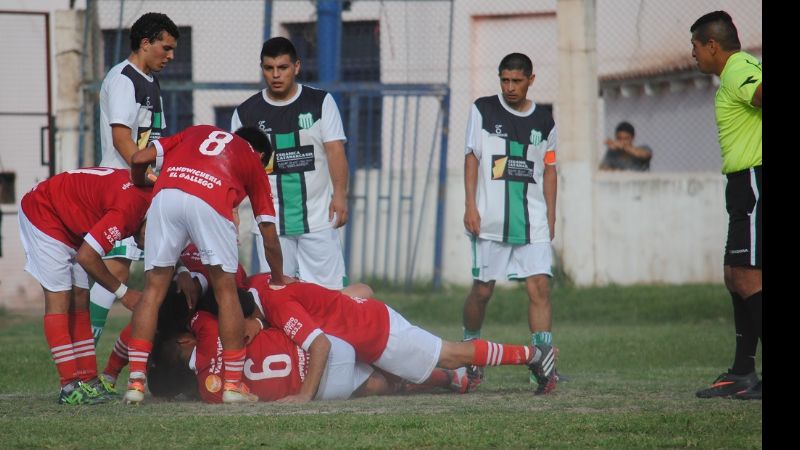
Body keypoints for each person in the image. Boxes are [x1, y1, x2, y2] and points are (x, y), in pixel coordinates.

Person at [123, 124, 288, 404]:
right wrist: (279, 278)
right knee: (225, 291)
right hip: (211, 198)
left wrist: (141, 183)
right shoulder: (252, 160)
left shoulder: (197, 131)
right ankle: (232, 385)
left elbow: (138, 158)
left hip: (166, 194)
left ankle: (136, 383)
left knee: (153, 290)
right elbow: (269, 236)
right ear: (260, 155)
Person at [249, 276, 557, 403]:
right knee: (392, 377)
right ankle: (458, 379)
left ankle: (534, 354)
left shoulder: (276, 304)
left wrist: (303, 396)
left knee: (451, 354)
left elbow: (321, 345)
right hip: (367, 321)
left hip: (378, 332)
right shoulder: (260, 283)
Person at [461, 53, 559, 394]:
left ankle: (543, 366)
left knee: (540, 288)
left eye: (517, 81)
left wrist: (551, 215)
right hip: (490, 219)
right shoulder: (483, 110)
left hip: (533, 221)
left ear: (531, 80)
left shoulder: (544, 120)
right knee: (482, 291)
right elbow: (472, 158)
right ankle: (470, 353)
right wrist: (470, 206)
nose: (510, 87)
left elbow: (550, 168)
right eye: (505, 80)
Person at [17, 168, 151, 404]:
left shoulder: (151, 203)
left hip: (68, 219)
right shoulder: (127, 211)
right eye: (152, 239)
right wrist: (123, 292)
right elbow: (87, 257)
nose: (148, 246)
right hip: (44, 211)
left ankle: (89, 379)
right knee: (60, 297)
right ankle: (69, 387)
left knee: (80, 297)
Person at [231, 36, 349, 290]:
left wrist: (340, 195)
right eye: (269, 68)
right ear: (262, 68)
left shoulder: (320, 102)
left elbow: (335, 150)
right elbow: (237, 167)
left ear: (296, 67)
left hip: (318, 219)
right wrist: (233, 208)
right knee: (277, 294)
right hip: (270, 223)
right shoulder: (245, 113)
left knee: (329, 295)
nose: (276, 75)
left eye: (282, 67)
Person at [91, 12, 180, 343]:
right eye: (166, 47)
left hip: (142, 186)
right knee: (116, 268)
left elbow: (154, 141)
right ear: (146, 43)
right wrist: (147, 177)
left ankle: (156, 351)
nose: (171, 56)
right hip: (122, 185)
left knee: (157, 266)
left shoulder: (150, 81)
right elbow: (121, 139)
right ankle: (83, 354)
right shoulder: (124, 79)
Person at [690, 11, 762, 400]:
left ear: (712, 45)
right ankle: (742, 372)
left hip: (754, 180)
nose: (693, 55)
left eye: (695, 46)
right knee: (735, 275)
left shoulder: (738, 69)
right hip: (741, 184)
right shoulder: (735, 71)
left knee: (748, 277)